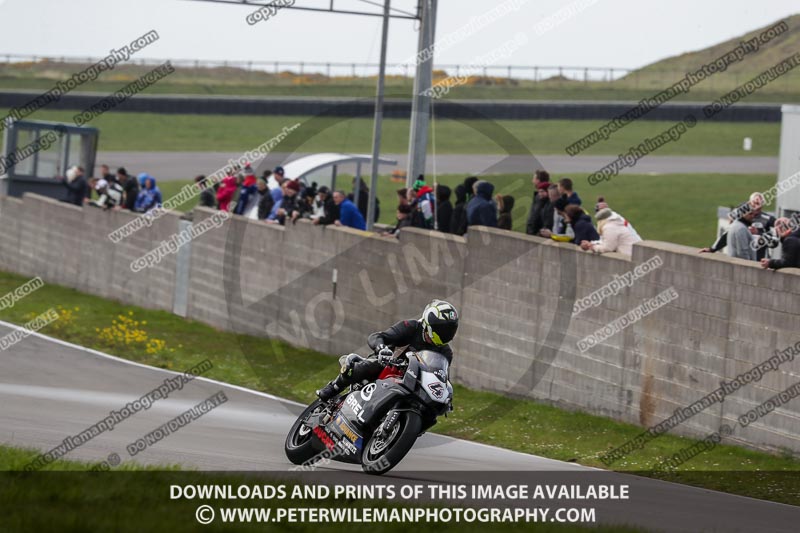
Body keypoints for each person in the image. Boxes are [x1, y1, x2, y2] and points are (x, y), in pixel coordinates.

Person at [316, 300, 459, 402]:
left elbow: (442, 376)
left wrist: (446, 392)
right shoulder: (411, 327)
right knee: (372, 365)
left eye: (448, 330)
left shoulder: (446, 353)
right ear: (429, 324)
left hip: (412, 383)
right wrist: (381, 349)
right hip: (389, 367)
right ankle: (333, 388)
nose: (445, 334)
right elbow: (378, 336)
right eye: (442, 329)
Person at [526, 170, 550, 235]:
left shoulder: (542, 198)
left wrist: (532, 230)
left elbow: (536, 216)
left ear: (538, 180)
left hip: (536, 233)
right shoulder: (539, 196)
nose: (532, 181)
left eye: (534, 179)